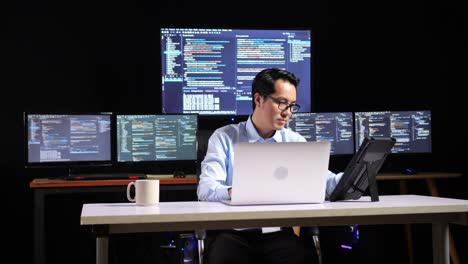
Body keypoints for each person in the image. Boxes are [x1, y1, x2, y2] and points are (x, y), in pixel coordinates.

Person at [197, 68, 342, 264]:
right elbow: (206, 189)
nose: (288, 113)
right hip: (233, 234)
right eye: (282, 103)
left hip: (278, 235)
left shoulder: (294, 141)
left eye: (292, 105)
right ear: (259, 100)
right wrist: (236, 192)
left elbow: (324, 181)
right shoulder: (224, 137)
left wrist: (355, 175)